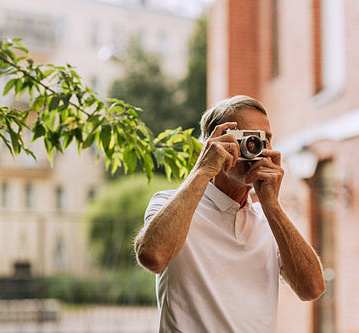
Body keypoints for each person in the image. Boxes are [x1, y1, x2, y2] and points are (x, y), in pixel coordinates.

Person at [134, 95, 325, 333]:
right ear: (214, 143)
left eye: (265, 139)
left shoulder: (269, 220)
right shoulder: (169, 204)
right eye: (246, 138)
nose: (257, 148)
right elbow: (152, 256)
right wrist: (203, 170)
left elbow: (312, 289)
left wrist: (272, 206)